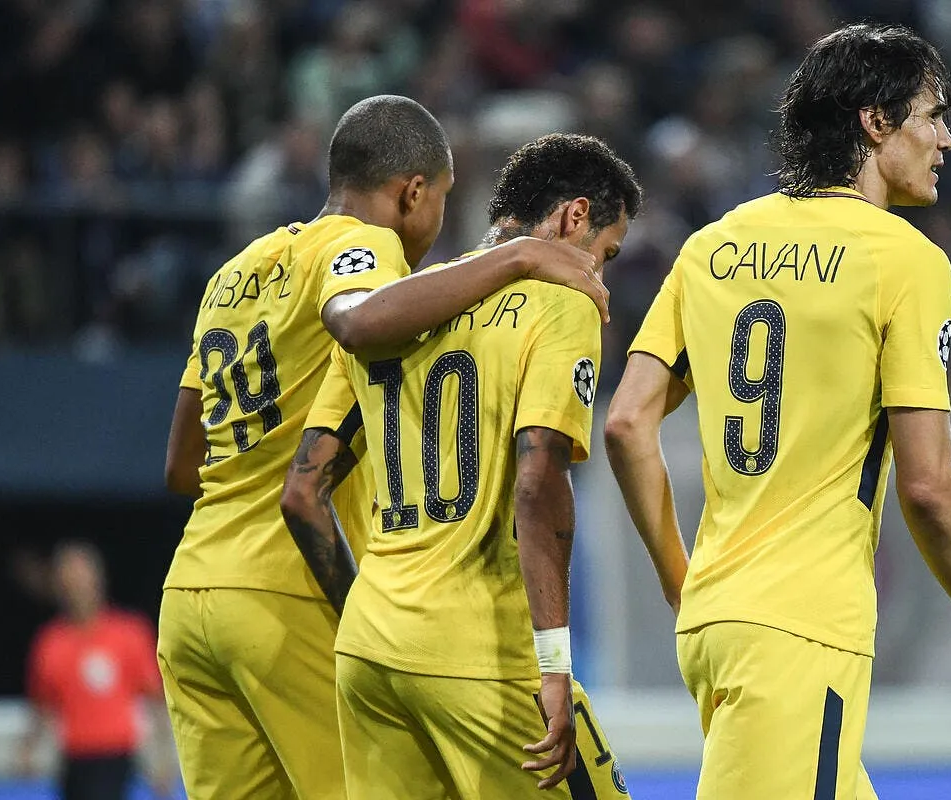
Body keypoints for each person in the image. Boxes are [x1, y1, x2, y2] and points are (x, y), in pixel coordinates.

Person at [159, 95, 613, 800]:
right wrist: (523, 253)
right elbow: (361, 320)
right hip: (289, 596)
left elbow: (182, 466)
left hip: (190, 596)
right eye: (442, 200)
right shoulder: (365, 249)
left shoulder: (236, 272)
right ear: (413, 192)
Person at [603, 23, 951, 799]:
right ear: (875, 121)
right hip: (802, 625)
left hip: (716, 622)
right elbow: (927, 485)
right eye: (932, 114)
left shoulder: (713, 246)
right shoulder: (905, 260)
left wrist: (680, 580)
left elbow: (627, 424)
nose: (948, 138)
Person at [280, 133, 641, 799]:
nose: (601, 274)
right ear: (574, 217)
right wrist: (555, 666)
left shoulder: (395, 308)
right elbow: (537, 483)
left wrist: (373, 618)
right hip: (482, 653)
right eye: (606, 253)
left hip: (369, 650)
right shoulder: (563, 300)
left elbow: (303, 491)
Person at [19, 541, 175, 800]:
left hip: (116, 756)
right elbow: (42, 705)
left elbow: (156, 700)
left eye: (81, 578)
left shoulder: (129, 633)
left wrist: (164, 757)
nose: (77, 588)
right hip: (74, 758)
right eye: (69, 581)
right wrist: (28, 748)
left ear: (97, 580)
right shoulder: (51, 642)